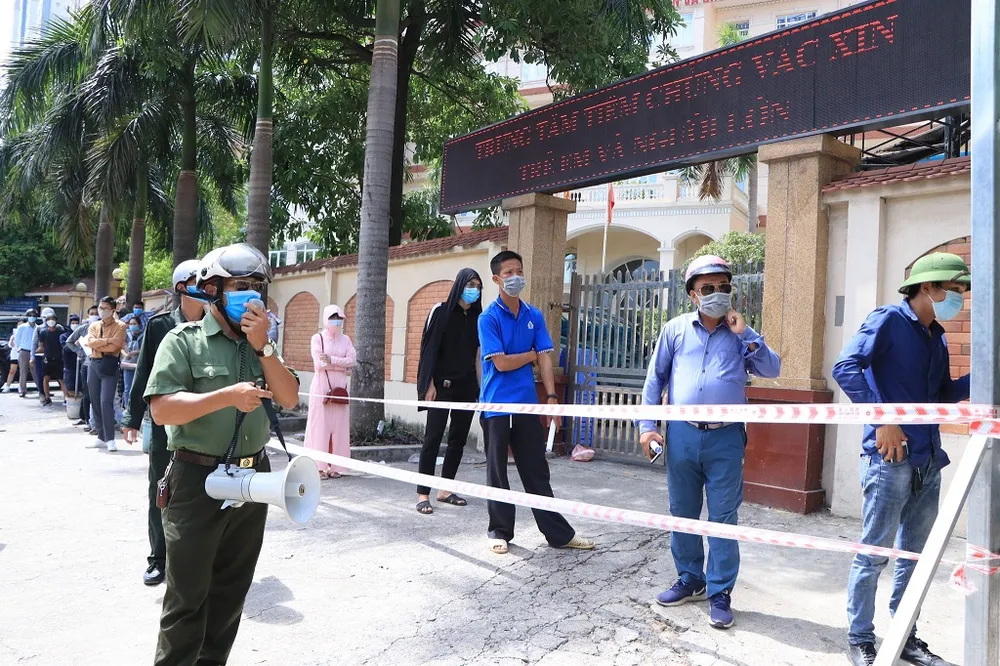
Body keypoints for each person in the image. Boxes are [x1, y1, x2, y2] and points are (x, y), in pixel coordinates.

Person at [144, 243, 298, 665]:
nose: (249, 294)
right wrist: (226, 396)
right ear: (212, 290)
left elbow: (288, 398)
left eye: (255, 286)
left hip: (253, 480)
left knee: (230, 594)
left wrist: (264, 347)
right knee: (187, 599)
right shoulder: (184, 341)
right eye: (238, 285)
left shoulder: (261, 345)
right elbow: (162, 410)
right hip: (197, 481)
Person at [832, 252, 970, 666]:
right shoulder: (888, 320)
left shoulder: (937, 336)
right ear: (927, 287)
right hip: (889, 459)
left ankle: (906, 635)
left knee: (916, 558)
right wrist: (883, 418)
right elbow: (845, 367)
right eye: (955, 289)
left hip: (928, 461)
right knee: (874, 553)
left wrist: (983, 375)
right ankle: (860, 638)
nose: (959, 298)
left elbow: (942, 394)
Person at [638, 255, 781, 630]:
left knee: (723, 517)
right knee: (682, 511)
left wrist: (746, 334)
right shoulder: (675, 330)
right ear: (692, 295)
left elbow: (772, 369)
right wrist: (647, 426)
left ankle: (720, 592)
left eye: (723, 287)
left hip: (726, 437)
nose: (717, 293)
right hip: (682, 434)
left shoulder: (740, 334)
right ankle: (691, 580)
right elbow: (655, 380)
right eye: (708, 288)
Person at [478, 250, 595, 555]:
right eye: (508, 273)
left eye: (519, 271)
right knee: (497, 472)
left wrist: (551, 398)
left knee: (536, 471)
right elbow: (501, 363)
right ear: (496, 279)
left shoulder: (534, 315)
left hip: (528, 405)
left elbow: (545, 358)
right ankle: (499, 531)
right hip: (496, 406)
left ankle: (558, 534)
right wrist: (531, 354)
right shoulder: (488, 318)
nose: (515, 277)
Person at [122, 259, 204, 587]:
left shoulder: (218, 323)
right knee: (162, 489)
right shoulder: (159, 326)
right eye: (200, 282)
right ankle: (158, 559)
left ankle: (198, 559)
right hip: (164, 423)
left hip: (204, 423)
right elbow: (143, 373)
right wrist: (131, 418)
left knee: (204, 492)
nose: (208, 288)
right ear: (182, 288)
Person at [414, 268, 483, 513]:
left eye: (478, 286)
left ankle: (445, 489)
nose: (474, 290)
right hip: (441, 388)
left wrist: (481, 390)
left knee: (458, 441)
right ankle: (423, 494)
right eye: (470, 284)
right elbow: (428, 349)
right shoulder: (440, 312)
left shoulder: (478, 318)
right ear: (459, 285)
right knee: (432, 439)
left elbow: (478, 357)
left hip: (467, 388)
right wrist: (428, 384)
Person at [304, 304, 356, 479]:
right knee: (319, 427)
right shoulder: (317, 338)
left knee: (340, 427)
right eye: (333, 317)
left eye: (339, 318)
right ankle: (318, 467)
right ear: (326, 318)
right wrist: (342, 365)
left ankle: (337, 467)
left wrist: (332, 360)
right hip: (321, 387)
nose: (337, 321)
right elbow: (319, 363)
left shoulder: (346, 340)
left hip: (340, 388)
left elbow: (352, 360)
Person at [86, 297, 126, 452]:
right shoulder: (94, 325)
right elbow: (90, 342)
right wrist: (107, 341)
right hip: (94, 363)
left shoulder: (120, 326)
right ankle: (100, 436)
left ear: (113, 310)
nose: (102, 311)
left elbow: (115, 347)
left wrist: (100, 343)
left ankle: (110, 438)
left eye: (105, 308)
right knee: (95, 401)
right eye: (100, 308)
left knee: (105, 401)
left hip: (109, 364)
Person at [66, 307, 98, 430]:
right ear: (88, 315)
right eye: (92, 313)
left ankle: (96, 421)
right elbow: (69, 341)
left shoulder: (104, 328)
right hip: (86, 364)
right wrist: (79, 351)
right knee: (87, 394)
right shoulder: (83, 329)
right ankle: (87, 420)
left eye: (96, 313)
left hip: (100, 363)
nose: (94, 315)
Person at [37, 312, 67, 405]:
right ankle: (47, 397)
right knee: (46, 378)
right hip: (47, 358)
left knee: (61, 379)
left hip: (58, 358)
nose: (51, 321)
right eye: (49, 319)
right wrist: (34, 354)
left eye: (53, 319)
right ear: (46, 321)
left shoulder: (61, 332)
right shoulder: (43, 332)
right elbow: (41, 346)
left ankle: (66, 397)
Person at [14, 309, 38, 398]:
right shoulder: (22, 327)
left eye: (34, 316)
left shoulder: (38, 327)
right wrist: (19, 348)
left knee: (36, 371)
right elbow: (17, 339)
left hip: (34, 351)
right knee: (23, 371)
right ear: (27, 317)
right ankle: (22, 390)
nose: (32, 317)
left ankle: (41, 389)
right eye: (30, 315)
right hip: (24, 350)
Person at [122, 317, 143, 407]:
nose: (132, 326)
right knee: (128, 387)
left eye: (134, 324)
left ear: (139, 325)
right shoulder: (127, 335)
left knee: (139, 387)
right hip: (128, 364)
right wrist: (125, 354)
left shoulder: (143, 335)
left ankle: (139, 407)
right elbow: (121, 347)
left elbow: (145, 348)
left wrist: (135, 352)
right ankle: (128, 407)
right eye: (130, 324)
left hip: (139, 364)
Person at [60, 315, 81, 397]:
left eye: (76, 323)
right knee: (70, 390)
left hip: (81, 366)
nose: (75, 325)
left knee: (81, 391)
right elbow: (66, 348)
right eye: (73, 323)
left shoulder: (82, 335)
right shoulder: (64, 336)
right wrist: (74, 343)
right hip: (69, 367)